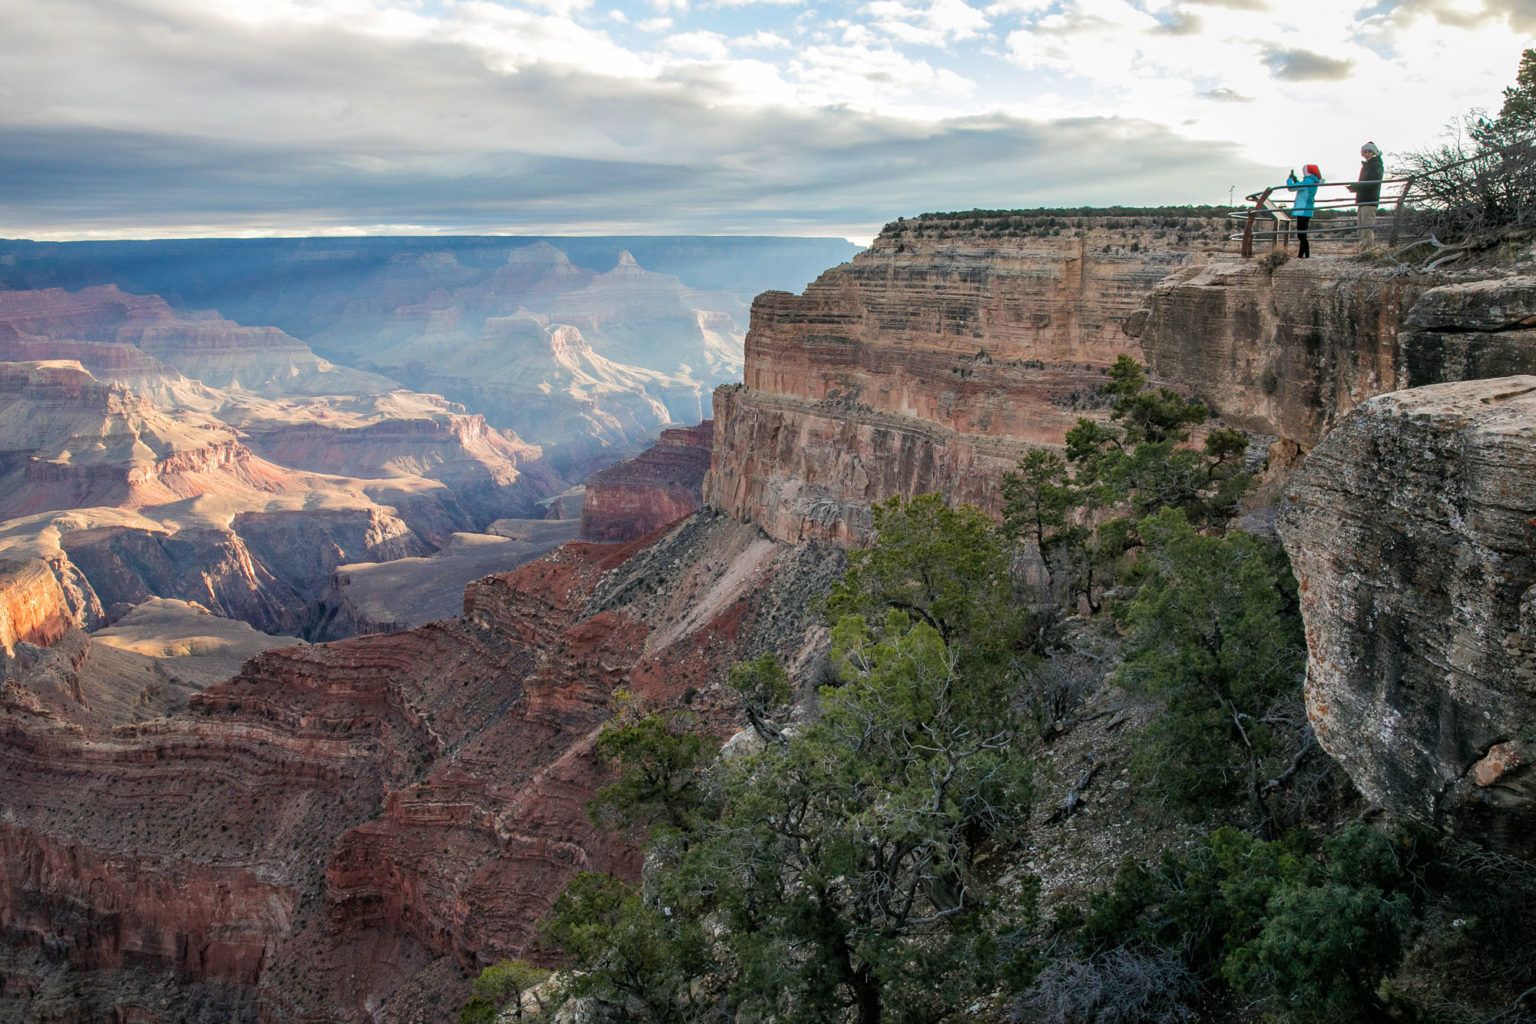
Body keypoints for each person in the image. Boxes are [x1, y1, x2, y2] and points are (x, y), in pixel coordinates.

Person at [1347, 142, 1384, 249]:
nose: (1366, 154)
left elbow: (1373, 182)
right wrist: (1355, 188)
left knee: (1367, 228)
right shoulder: (1368, 165)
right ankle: (1363, 250)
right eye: (1365, 152)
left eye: (1369, 151)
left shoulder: (1376, 165)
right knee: (1361, 228)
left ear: (1373, 152)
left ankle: (1368, 251)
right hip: (1363, 199)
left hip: (1369, 200)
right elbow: (1366, 183)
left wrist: (1356, 186)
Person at [1286, 164, 1322, 258]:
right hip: (1307, 210)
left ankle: (1306, 255)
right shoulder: (1312, 181)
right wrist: (1296, 180)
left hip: (1302, 210)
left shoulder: (1308, 181)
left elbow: (1291, 188)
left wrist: (1290, 179)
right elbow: (1302, 188)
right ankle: (1302, 255)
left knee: (1301, 235)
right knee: (1302, 234)